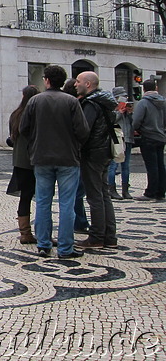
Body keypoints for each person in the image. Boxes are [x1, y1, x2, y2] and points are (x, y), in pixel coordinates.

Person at [20, 65, 89, 259]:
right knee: (67, 203)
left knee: (43, 201)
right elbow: (83, 131)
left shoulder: (35, 101)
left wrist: (36, 141)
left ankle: (43, 244)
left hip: (41, 158)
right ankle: (66, 248)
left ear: (47, 80)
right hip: (68, 158)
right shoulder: (71, 102)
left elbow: (24, 128)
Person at [74, 72, 118, 249]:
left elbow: (84, 129)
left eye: (78, 81)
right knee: (103, 193)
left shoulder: (91, 103)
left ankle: (97, 237)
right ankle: (110, 236)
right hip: (105, 151)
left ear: (88, 84)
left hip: (93, 153)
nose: (76, 84)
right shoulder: (105, 101)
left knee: (94, 196)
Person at [7, 85, 39, 244]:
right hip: (37, 159)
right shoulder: (37, 114)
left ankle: (25, 232)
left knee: (25, 197)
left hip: (20, 160)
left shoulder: (16, 114)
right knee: (42, 196)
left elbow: (11, 139)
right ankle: (41, 231)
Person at [132, 78, 166, 201]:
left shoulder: (143, 103)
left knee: (151, 166)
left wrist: (135, 129)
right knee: (160, 165)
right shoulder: (163, 102)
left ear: (144, 89)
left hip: (148, 136)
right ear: (156, 88)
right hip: (161, 136)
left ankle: (150, 192)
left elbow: (136, 120)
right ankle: (161, 192)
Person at [63, 79, 90, 234]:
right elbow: (83, 131)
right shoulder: (77, 105)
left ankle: (77, 222)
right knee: (76, 192)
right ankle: (78, 222)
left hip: (64, 154)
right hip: (76, 154)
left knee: (73, 193)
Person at [107, 86, 134, 200]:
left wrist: (129, 112)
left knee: (126, 166)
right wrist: (119, 112)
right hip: (117, 137)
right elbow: (110, 121)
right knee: (113, 165)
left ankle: (125, 190)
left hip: (127, 137)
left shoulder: (126, 107)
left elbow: (133, 122)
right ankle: (111, 189)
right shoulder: (111, 107)